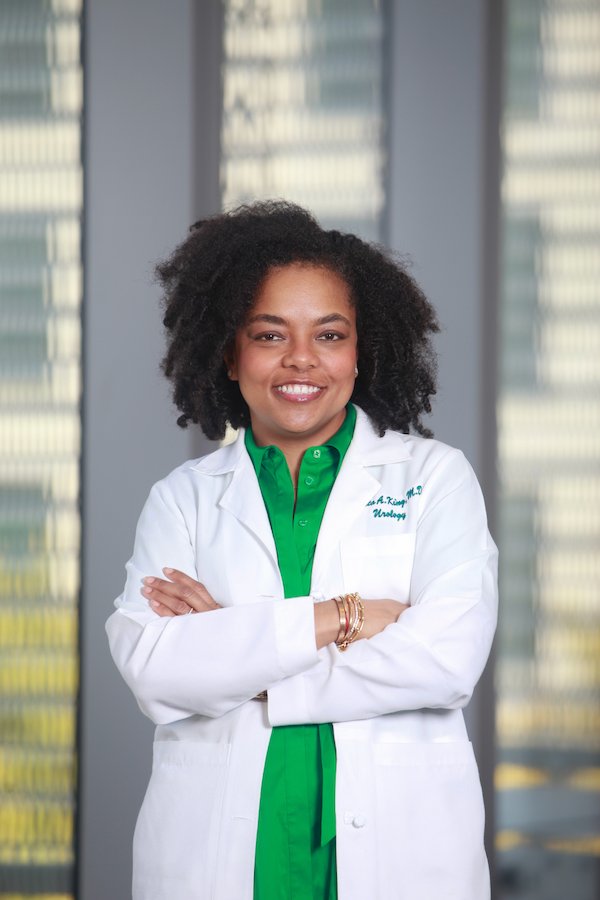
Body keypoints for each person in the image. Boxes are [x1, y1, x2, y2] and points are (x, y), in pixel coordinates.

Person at [106, 200, 498, 900]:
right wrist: (341, 616)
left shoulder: (435, 479)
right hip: (218, 862)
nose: (300, 360)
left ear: (360, 352)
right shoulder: (184, 499)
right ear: (230, 352)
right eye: (268, 333)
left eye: (330, 334)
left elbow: (446, 660)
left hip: (403, 859)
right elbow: (153, 669)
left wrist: (235, 656)